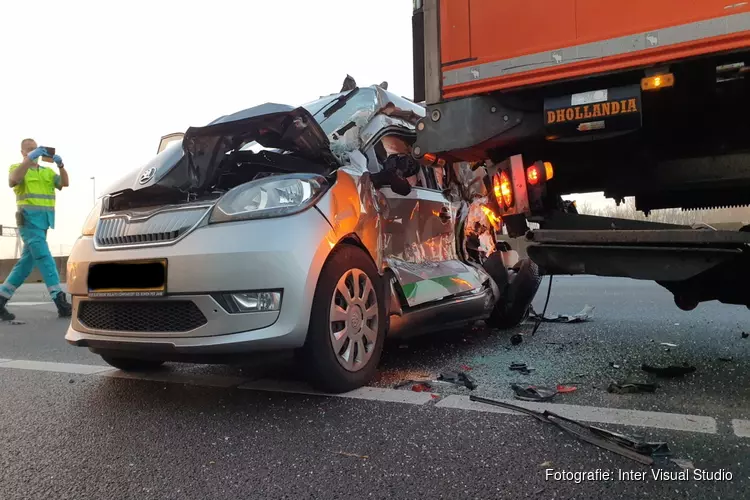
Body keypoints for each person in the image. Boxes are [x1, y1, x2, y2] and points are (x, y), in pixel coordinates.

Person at [0, 139, 72, 320]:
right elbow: (13, 180)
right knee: (45, 258)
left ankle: (0, 299)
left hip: (44, 223)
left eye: (36, 149)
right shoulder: (17, 168)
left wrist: (61, 165)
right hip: (28, 222)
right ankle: (60, 301)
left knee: (25, 265)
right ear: (23, 152)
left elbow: (64, 183)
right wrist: (27, 160)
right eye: (30, 150)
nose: (35, 152)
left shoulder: (47, 172)